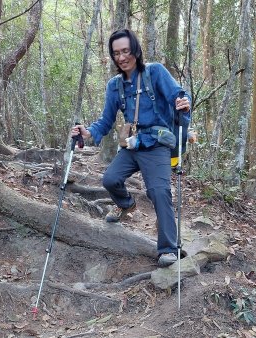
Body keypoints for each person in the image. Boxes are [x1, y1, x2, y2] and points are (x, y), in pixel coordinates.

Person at [71, 29, 191, 267]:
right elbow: (105, 121)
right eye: (116, 53)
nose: (121, 57)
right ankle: (126, 205)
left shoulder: (155, 72)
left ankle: (168, 248)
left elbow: (179, 96)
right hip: (133, 143)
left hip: (157, 143)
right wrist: (88, 132)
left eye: (125, 51)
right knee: (110, 179)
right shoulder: (114, 86)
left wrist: (184, 104)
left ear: (135, 50)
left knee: (159, 191)